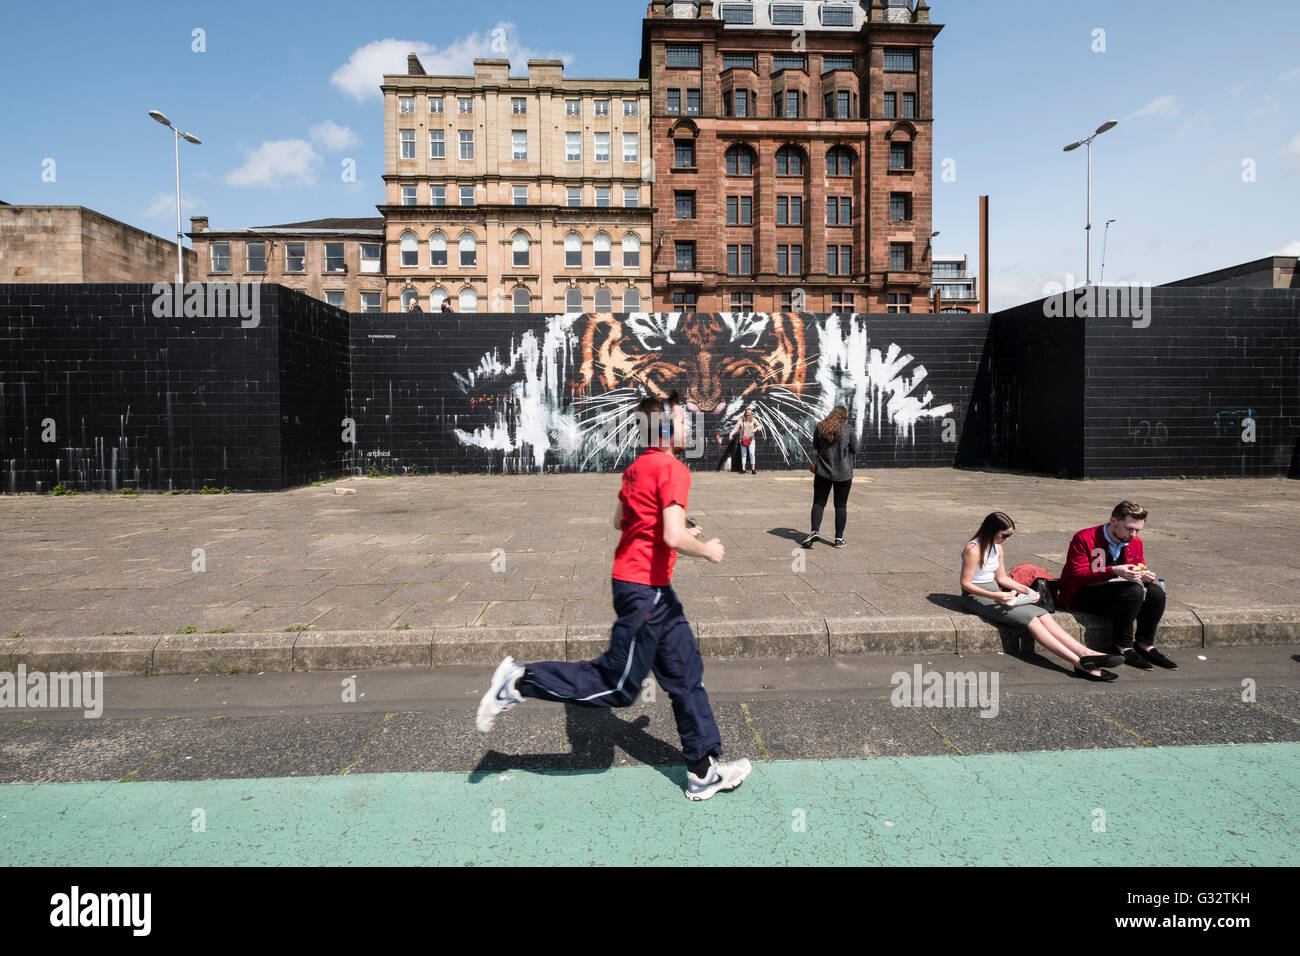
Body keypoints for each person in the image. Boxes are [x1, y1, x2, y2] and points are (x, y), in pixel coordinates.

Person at [476, 394, 753, 801]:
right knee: (617, 687)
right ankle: (519, 681)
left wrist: (672, 523)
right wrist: (706, 548)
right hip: (645, 592)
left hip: (648, 589)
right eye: (679, 420)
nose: (686, 425)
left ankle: (703, 769)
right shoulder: (673, 468)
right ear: (662, 430)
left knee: (685, 673)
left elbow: (621, 520)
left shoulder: (638, 467)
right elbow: (671, 535)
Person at [960, 513, 1125, 681]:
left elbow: (1001, 578)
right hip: (976, 597)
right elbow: (966, 584)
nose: (1007, 539)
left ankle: (1087, 653)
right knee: (1031, 619)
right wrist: (996, 595)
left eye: (1009, 535)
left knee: (1042, 614)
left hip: (997, 593)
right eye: (1004, 535)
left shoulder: (997, 548)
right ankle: (1080, 663)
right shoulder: (973, 550)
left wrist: (1026, 590)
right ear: (991, 531)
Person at [1056, 501, 1176, 669]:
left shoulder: (1135, 542)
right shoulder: (1084, 537)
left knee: (1156, 593)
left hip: (1116, 593)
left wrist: (1143, 575)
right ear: (1113, 522)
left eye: (1138, 530)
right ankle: (1123, 645)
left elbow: (1139, 566)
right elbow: (1078, 575)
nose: (1134, 534)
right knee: (1133, 591)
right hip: (1080, 594)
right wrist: (1114, 570)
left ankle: (1145, 643)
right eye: (1129, 528)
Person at [802, 405, 856, 549]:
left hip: (823, 472)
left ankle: (814, 531)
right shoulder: (848, 429)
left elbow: (815, 445)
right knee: (840, 506)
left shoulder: (820, 427)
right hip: (844, 473)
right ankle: (838, 539)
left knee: (819, 503)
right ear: (844, 416)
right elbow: (855, 449)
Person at [729, 408, 763, 475]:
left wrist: (756, 429)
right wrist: (731, 434)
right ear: (745, 413)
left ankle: (753, 469)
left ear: (751, 413)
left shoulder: (753, 420)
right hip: (743, 439)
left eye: (750, 412)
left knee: (752, 454)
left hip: (751, 440)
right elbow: (736, 428)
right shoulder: (741, 420)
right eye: (747, 412)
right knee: (743, 454)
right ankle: (743, 469)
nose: (748, 414)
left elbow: (760, 426)